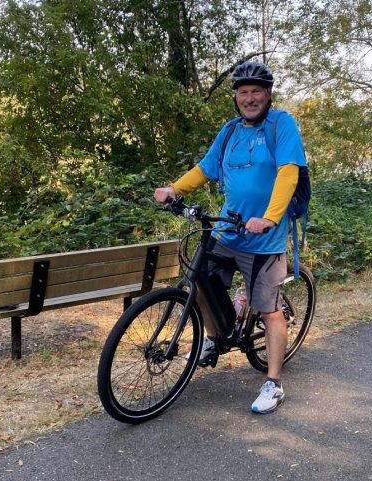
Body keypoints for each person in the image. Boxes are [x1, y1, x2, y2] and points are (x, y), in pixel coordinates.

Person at [153, 61, 307, 414]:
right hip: (229, 230)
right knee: (200, 283)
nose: (249, 98)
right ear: (236, 98)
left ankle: (273, 383)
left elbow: (288, 173)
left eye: (256, 92)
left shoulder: (281, 125)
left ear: (267, 94)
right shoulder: (230, 131)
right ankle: (213, 339)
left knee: (268, 310)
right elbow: (206, 169)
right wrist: (173, 189)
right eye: (243, 93)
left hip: (264, 240)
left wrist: (269, 217)